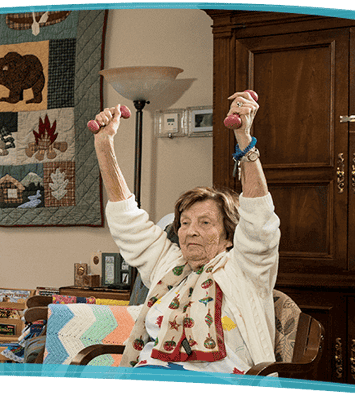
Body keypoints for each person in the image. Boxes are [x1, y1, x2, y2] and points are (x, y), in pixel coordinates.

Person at [92, 91, 280, 374]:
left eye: (205, 223)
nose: (190, 231)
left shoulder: (246, 269)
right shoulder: (170, 264)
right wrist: (104, 146)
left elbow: (259, 221)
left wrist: (244, 139)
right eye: (185, 222)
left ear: (229, 235)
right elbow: (126, 218)